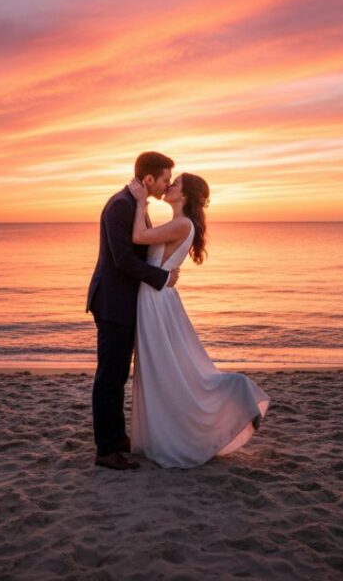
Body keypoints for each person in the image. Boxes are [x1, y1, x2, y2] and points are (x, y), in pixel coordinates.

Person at [128, 173, 269, 468]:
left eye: (175, 184)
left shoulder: (182, 224)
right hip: (157, 297)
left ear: (186, 195)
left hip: (156, 300)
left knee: (168, 370)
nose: (169, 186)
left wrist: (141, 203)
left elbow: (139, 237)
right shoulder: (178, 224)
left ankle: (240, 395)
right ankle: (166, 431)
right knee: (166, 369)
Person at [86, 151, 180, 470]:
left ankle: (117, 437)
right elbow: (123, 259)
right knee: (109, 376)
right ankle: (105, 449)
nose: (167, 184)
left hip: (124, 302)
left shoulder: (134, 204)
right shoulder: (120, 207)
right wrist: (162, 278)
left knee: (118, 374)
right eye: (165, 179)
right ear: (149, 179)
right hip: (113, 303)